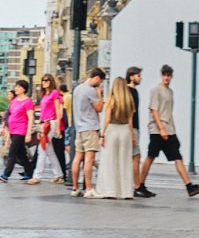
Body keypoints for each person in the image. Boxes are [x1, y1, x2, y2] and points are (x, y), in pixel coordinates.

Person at [137, 65, 199, 199]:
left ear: (171, 76)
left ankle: (190, 187)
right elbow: (154, 110)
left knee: (178, 158)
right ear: (161, 75)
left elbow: (169, 113)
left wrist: (173, 130)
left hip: (169, 130)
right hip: (157, 130)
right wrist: (162, 129)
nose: (166, 77)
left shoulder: (170, 92)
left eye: (168, 75)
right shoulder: (155, 90)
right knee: (150, 157)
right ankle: (140, 185)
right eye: (164, 75)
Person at [95, 75, 136, 199]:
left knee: (110, 161)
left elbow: (107, 119)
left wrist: (102, 134)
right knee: (125, 162)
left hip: (112, 130)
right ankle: (126, 192)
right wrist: (133, 135)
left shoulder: (111, 99)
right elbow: (130, 121)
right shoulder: (129, 101)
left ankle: (110, 191)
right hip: (125, 131)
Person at [71, 67, 105, 198]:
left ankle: (75, 188)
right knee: (89, 159)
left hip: (79, 127)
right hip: (90, 127)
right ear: (97, 78)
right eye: (100, 81)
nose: (99, 84)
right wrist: (100, 94)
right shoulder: (91, 90)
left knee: (78, 157)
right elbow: (99, 108)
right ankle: (89, 189)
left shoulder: (78, 88)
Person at [0, 79, 39, 184]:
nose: (16, 88)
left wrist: (28, 133)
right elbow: (9, 115)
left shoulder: (28, 101)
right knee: (21, 154)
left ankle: (6, 175)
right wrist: (3, 127)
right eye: (16, 86)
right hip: (12, 130)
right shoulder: (14, 101)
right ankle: (29, 173)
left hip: (20, 131)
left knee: (12, 153)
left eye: (19, 87)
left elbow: (31, 118)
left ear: (24, 89)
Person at [36, 73, 67, 184]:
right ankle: (59, 174)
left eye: (47, 80)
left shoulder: (54, 93)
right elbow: (42, 112)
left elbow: (59, 111)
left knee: (42, 149)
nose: (44, 82)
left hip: (51, 122)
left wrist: (58, 128)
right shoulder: (44, 96)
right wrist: (39, 125)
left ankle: (37, 176)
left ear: (51, 81)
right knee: (50, 151)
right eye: (43, 80)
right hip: (44, 123)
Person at [125, 66, 149, 196]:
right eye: (138, 75)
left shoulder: (133, 91)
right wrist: (132, 132)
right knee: (135, 157)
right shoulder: (130, 91)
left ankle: (135, 185)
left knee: (134, 157)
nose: (140, 78)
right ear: (131, 76)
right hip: (132, 128)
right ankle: (137, 186)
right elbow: (129, 113)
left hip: (134, 128)